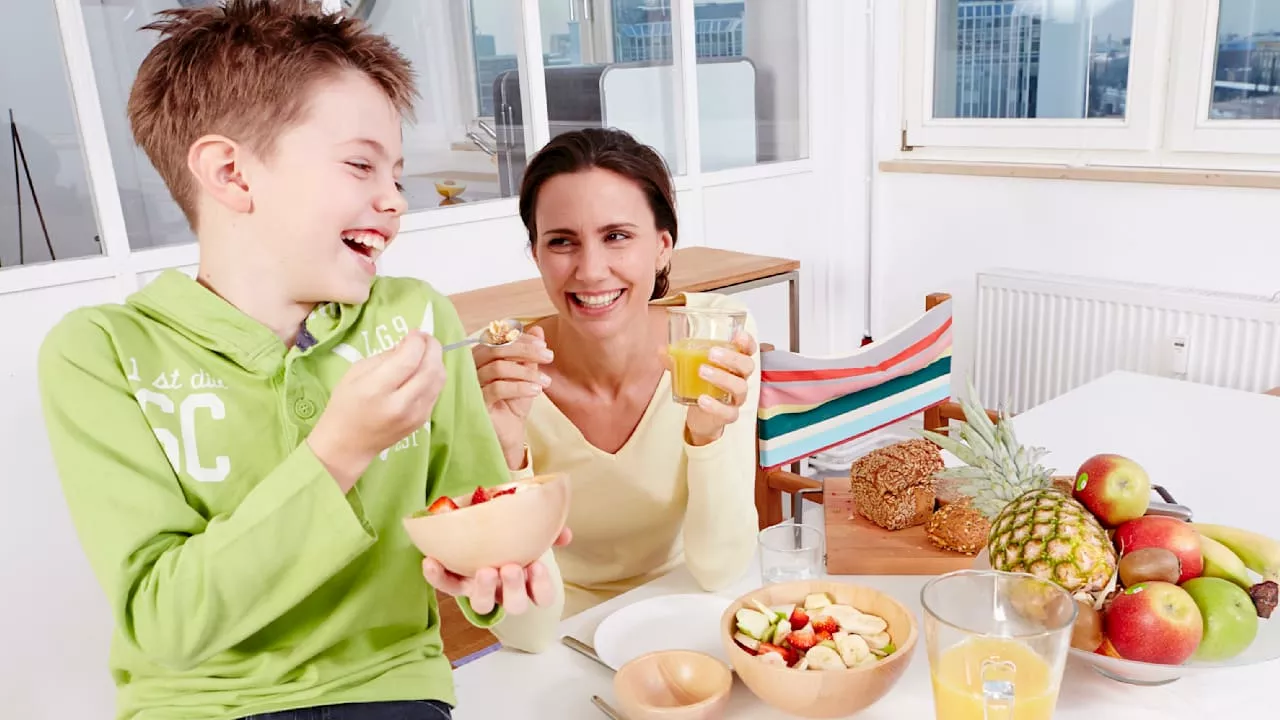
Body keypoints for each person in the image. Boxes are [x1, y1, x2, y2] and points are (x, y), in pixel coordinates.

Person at [35, 2, 564, 719]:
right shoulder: (101, 354)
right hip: (197, 702)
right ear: (231, 173)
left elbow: (497, 576)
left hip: (390, 689)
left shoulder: (413, 318)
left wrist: (504, 563)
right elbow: (167, 627)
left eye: (397, 175)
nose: (394, 201)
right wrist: (339, 452)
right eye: (359, 165)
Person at [472, 128, 761, 618]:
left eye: (617, 236)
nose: (590, 270)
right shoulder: (502, 376)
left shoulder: (713, 334)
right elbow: (521, 624)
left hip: (687, 599)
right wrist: (506, 452)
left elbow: (720, 568)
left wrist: (707, 436)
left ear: (663, 246)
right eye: (562, 241)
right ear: (536, 255)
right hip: (558, 622)